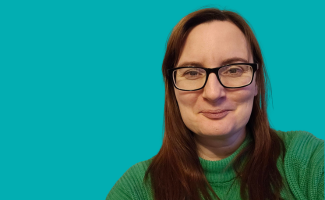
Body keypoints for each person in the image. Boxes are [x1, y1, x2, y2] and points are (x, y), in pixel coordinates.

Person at [106, 8, 324, 200]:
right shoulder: (135, 190)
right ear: (172, 87)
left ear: (257, 81)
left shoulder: (308, 162)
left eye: (233, 70)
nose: (213, 93)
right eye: (192, 72)